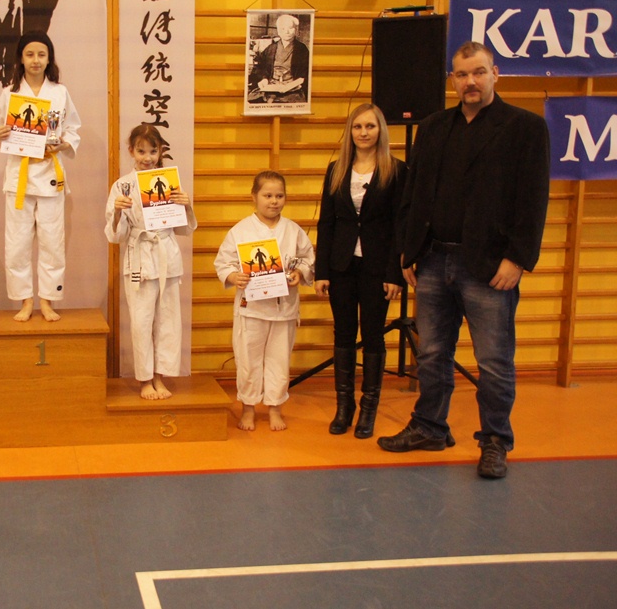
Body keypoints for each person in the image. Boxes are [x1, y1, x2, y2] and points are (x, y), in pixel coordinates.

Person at [377, 41, 551, 479]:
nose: (470, 81)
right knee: (432, 353)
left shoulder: (525, 128)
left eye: (478, 72)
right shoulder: (434, 127)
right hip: (433, 258)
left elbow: (533, 200)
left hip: (490, 266)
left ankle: (495, 441)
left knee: (493, 361)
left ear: (496, 74)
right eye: (462, 75)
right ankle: (430, 427)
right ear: (452, 80)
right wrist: (409, 249)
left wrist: (517, 259)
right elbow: (415, 194)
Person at [315, 104, 406, 439]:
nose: (363, 133)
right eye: (357, 127)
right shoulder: (336, 169)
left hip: (377, 267)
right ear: (349, 131)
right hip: (341, 264)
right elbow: (326, 222)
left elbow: (400, 226)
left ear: (381, 130)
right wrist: (321, 270)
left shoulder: (396, 170)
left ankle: (369, 408)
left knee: (372, 335)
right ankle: (345, 407)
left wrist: (395, 273)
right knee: (343, 334)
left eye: (370, 126)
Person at [0, 31, 81, 322]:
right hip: (20, 176)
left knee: (52, 242)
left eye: (42, 54)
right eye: (30, 54)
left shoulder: (60, 92)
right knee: (17, 243)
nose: (36, 60)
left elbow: (72, 129)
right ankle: (25, 300)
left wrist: (64, 143)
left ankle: (47, 300)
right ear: (21, 58)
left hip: (50, 174)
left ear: (49, 58)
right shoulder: (10, 93)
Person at [215, 171, 314, 431]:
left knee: (279, 361)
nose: (274, 201)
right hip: (252, 309)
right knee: (248, 361)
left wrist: (299, 272)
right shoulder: (240, 230)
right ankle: (248, 408)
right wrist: (234, 276)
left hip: (284, 309)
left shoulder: (293, 230)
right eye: (267, 195)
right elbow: (223, 262)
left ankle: (275, 408)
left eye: (279, 196)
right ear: (254, 197)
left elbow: (308, 258)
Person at [105, 125, 197, 400]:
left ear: (160, 152)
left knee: (168, 321)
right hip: (139, 258)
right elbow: (116, 236)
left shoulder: (170, 182)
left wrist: (185, 205)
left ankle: (160, 376)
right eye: (141, 151)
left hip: (166, 255)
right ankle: (145, 379)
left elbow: (184, 229)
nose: (147, 157)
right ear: (131, 151)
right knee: (141, 321)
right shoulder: (122, 185)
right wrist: (118, 212)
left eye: (153, 151)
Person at [248, 14, 309, 103]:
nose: (287, 32)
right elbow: (260, 67)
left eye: (290, 28)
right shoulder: (271, 48)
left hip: (292, 87)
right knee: (252, 99)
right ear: (278, 31)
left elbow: (305, 73)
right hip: (271, 85)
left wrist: (293, 84)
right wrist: (264, 79)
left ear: (295, 30)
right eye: (283, 29)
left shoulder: (302, 49)